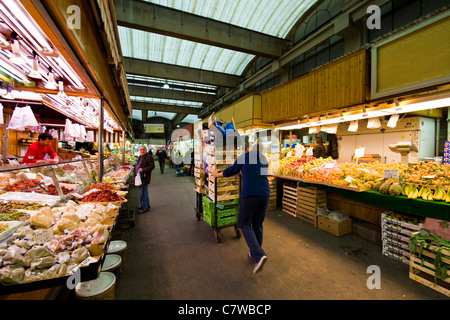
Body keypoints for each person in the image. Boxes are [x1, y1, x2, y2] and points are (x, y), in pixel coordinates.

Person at [212, 139, 270, 274]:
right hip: (265, 194)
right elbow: (257, 174)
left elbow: (230, 171)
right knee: (257, 224)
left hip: (250, 194)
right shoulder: (264, 159)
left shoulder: (245, 157)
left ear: (248, 149)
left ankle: (259, 255)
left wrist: (216, 174)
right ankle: (255, 254)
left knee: (243, 223)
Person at [135, 145, 155, 213]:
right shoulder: (140, 156)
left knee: (142, 192)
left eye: (143, 149)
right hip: (140, 177)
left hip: (144, 177)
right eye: (141, 150)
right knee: (144, 192)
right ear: (139, 150)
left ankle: (145, 207)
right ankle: (145, 205)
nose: (142, 151)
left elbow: (152, 166)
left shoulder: (149, 157)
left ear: (146, 150)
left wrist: (143, 169)